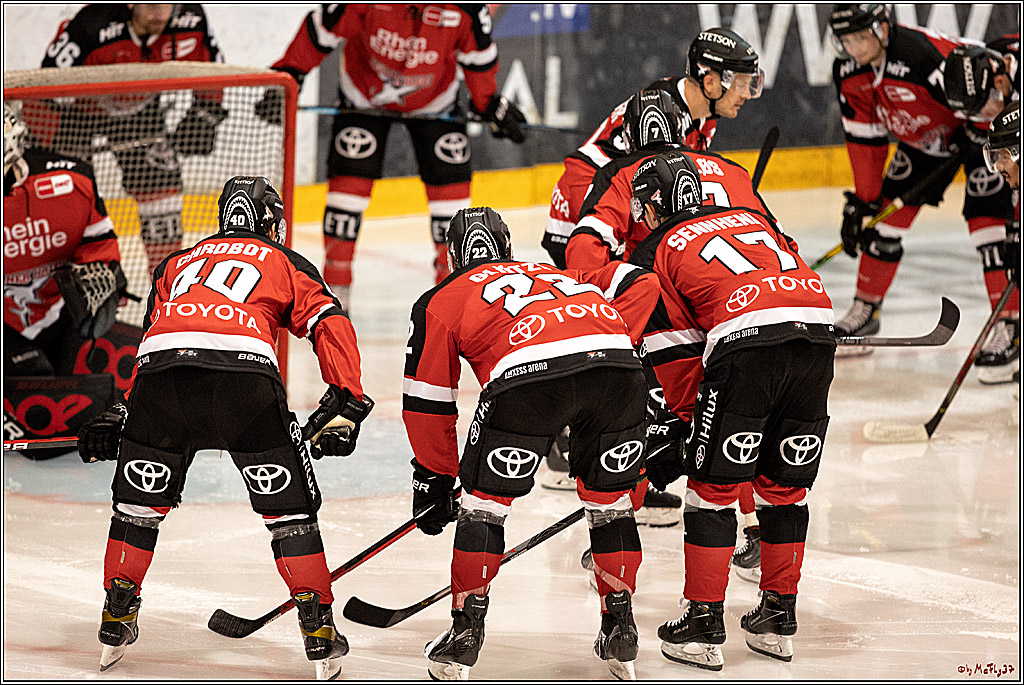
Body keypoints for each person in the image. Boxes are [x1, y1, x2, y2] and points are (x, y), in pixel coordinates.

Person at [76, 176, 373, 679]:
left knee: (135, 509)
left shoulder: (177, 263)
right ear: (269, 220)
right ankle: (319, 631)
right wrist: (346, 396)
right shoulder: (285, 261)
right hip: (245, 381)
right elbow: (328, 323)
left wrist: (126, 409)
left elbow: (156, 339)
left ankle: (116, 616)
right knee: (290, 514)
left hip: (159, 382)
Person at [402, 207, 660, 680]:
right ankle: (620, 626)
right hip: (618, 372)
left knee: (485, 506)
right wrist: (608, 337)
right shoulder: (556, 272)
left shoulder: (442, 297)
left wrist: (434, 477)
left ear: (454, 256)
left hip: (526, 382)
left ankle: (465, 632)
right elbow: (640, 280)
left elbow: (429, 400)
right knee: (611, 506)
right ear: (509, 249)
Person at [626, 152, 835, 670]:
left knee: (713, 487)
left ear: (654, 205)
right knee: (784, 488)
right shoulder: (753, 217)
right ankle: (778, 616)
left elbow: (674, 352)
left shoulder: (655, 251)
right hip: (816, 331)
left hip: (748, 346)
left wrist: (686, 427)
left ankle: (702, 622)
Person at [565, 87, 784, 563]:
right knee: (739, 418)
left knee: (652, 423)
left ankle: (615, 535)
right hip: (743, 308)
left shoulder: (622, 173)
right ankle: (759, 533)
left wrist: (604, 295)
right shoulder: (727, 169)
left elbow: (582, 255)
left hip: (671, 317)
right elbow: (777, 243)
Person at [260, 4, 527, 311]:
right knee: (346, 201)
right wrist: (290, 73)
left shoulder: (467, 7)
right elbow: (322, 28)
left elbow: (478, 56)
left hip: (435, 101)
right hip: (363, 97)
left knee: (451, 207)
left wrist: (489, 103)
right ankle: (335, 295)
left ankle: (452, 296)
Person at [829, 3, 1017, 383]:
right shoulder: (848, 73)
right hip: (925, 143)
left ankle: (1010, 324)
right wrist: (864, 200)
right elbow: (864, 139)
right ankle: (866, 311)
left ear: (883, 29)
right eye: (847, 40)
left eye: (861, 37)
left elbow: (979, 98)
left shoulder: (920, 57)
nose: (855, 48)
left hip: (982, 130)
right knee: (884, 219)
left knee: (989, 225)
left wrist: (972, 138)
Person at [541, 27, 764, 268]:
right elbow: (606, 176)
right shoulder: (662, 113)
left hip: (611, 192)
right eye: (740, 84)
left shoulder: (704, 116)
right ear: (710, 83)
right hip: (585, 194)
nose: (747, 94)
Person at [39, 4, 226, 274]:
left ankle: (166, 284)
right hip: (76, 115)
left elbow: (213, 68)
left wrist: (205, 114)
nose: (162, 14)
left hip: (141, 111)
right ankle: (67, 285)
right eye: (151, 5)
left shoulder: (190, 18)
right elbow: (42, 92)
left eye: (168, 4)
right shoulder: (92, 24)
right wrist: (49, 144)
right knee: (66, 196)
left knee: (162, 190)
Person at [4, 101, 129, 454]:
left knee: (124, 368)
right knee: (38, 409)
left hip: (59, 313)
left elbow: (101, 250)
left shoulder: (71, 182)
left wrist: (102, 282)